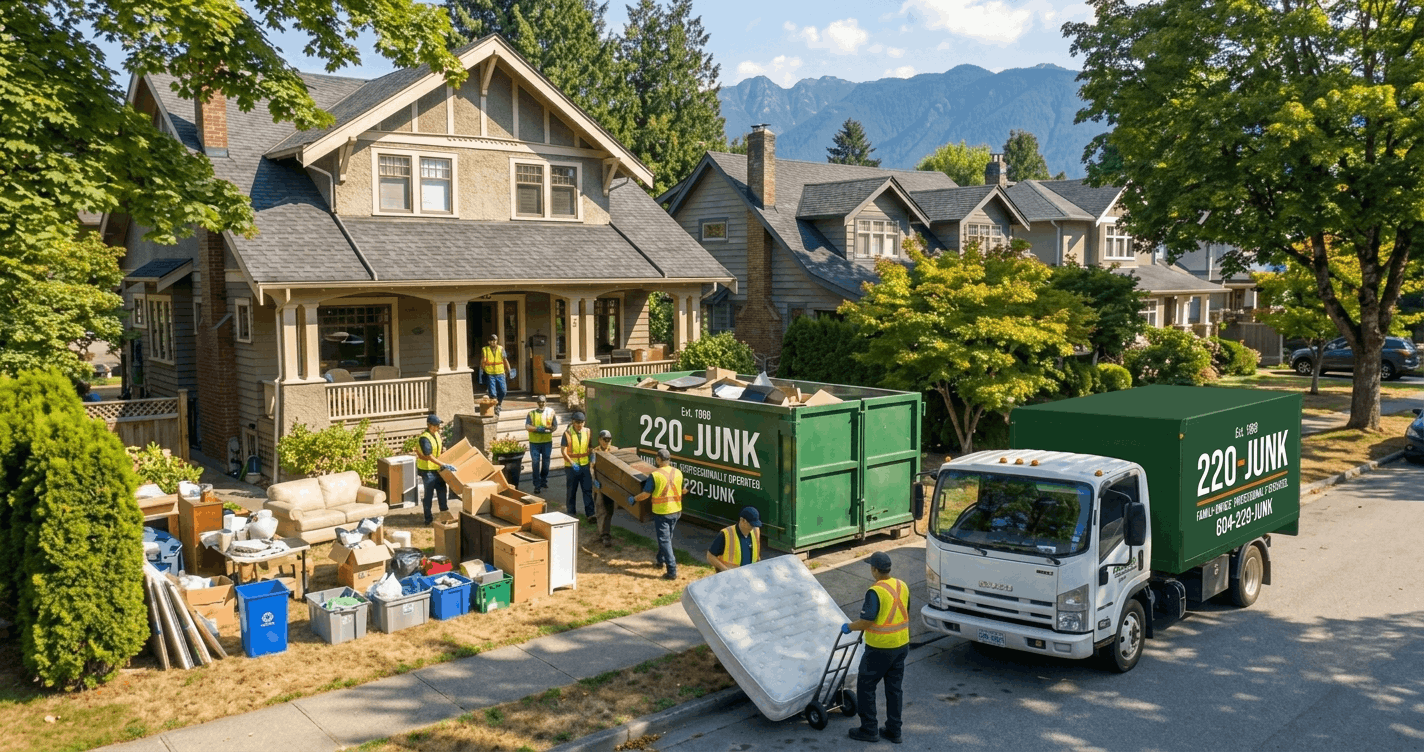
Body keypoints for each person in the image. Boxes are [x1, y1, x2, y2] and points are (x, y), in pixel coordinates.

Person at [842, 551, 909, 744]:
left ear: (874, 570)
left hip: (880, 648)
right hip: (901, 645)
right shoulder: (902, 585)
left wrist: (849, 627)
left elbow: (866, 621)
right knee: (894, 689)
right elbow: (904, 612)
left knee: (866, 686)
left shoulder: (875, 591)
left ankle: (869, 729)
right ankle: (894, 731)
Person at [631, 448, 684, 580]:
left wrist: (634, 499)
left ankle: (672, 570)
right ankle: (660, 560)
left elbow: (645, 494)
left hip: (662, 512)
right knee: (666, 538)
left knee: (665, 540)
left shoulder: (655, 475)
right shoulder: (678, 472)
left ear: (658, 459)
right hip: (676, 511)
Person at [415, 414, 457, 525]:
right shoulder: (424, 438)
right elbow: (428, 455)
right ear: (429, 425)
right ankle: (428, 520)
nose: (438, 428)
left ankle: (444, 516)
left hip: (438, 469)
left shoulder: (437, 435)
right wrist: (443, 464)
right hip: (427, 470)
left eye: (438, 425)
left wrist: (444, 457)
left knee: (442, 491)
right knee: (428, 495)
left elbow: (439, 450)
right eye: (435, 425)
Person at [562, 412, 595, 522]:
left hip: (584, 466)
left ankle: (590, 514)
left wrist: (592, 459)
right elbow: (563, 451)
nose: (579, 425)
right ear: (573, 422)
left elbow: (590, 447)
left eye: (581, 422)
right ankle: (571, 513)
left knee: (587, 490)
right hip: (571, 467)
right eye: (577, 422)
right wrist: (572, 462)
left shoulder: (588, 432)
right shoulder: (567, 433)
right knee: (571, 490)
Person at [706, 506, 762, 571]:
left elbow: (757, 556)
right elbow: (710, 556)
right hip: (730, 576)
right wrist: (725, 570)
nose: (753, 527)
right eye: (751, 524)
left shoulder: (755, 531)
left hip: (749, 574)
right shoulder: (726, 534)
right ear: (742, 520)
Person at [525, 394, 558, 493]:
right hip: (534, 442)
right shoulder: (531, 413)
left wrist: (550, 430)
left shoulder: (551, 412)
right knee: (535, 463)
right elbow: (527, 426)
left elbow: (555, 425)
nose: (541, 404)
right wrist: (537, 429)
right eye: (539, 402)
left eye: (543, 402)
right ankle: (537, 484)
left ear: (546, 402)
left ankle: (543, 480)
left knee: (546, 463)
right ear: (537, 403)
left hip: (547, 442)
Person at [590, 429, 617, 547]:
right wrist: (594, 480)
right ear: (599, 440)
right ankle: (604, 535)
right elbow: (591, 468)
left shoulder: (615, 450)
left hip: (611, 486)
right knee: (601, 509)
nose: (606, 442)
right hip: (599, 486)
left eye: (608, 440)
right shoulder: (595, 452)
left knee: (609, 510)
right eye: (604, 440)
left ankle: (604, 530)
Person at [480, 334, 510, 414]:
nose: (493, 342)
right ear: (489, 342)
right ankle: (495, 407)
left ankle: (499, 403)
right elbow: (482, 361)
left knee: (503, 391)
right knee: (492, 393)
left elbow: (505, 360)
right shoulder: (485, 349)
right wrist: (481, 371)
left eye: (495, 340)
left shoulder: (501, 349)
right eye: (492, 341)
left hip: (500, 373)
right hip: (490, 373)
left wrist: (508, 370)